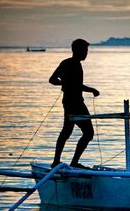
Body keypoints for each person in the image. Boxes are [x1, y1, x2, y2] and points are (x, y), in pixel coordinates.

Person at [49, 39, 99, 169]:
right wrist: (92, 90)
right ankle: (73, 162)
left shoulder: (66, 63)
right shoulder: (74, 64)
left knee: (67, 131)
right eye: (85, 50)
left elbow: (53, 80)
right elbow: (74, 85)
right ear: (78, 50)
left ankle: (56, 161)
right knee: (88, 133)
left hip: (69, 101)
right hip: (75, 103)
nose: (86, 53)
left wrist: (64, 83)